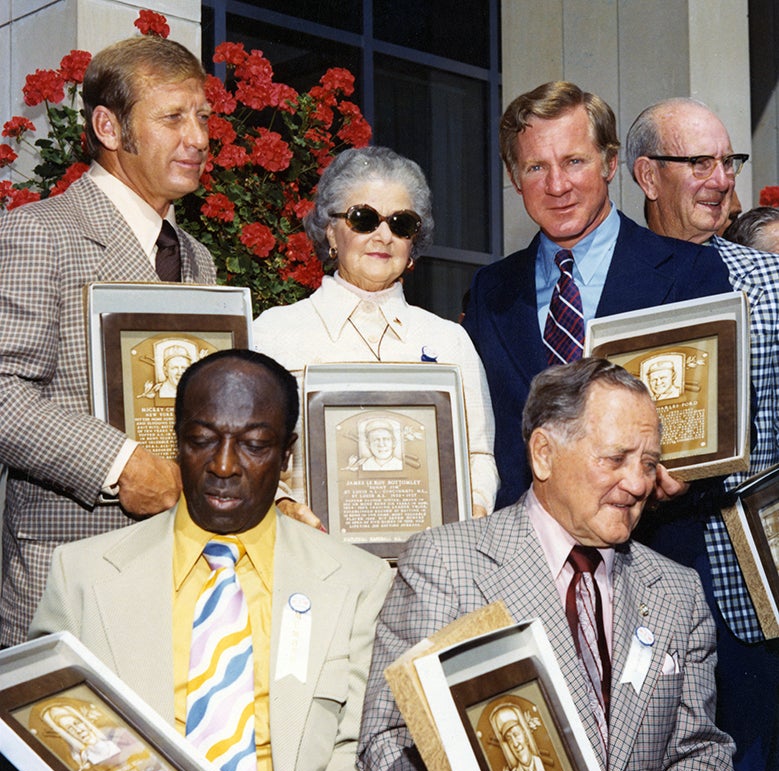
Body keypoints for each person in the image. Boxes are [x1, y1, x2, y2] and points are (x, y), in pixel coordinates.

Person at [28, 349, 498, 771]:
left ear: (287, 454)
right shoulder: (84, 573)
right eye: (201, 441)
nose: (223, 466)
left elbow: (359, 748)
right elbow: (38, 736)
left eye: (253, 444)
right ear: (178, 441)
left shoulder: (356, 580)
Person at [358, 358, 779, 771]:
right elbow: (387, 736)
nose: (638, 483)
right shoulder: (451, 562)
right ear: (544, 453)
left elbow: (698, 752)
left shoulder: (676, 591)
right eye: (617, 459)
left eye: (649, 461)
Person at [0, 34, 217, 647]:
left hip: (182, 581)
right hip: (73, 579)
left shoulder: (198, 260)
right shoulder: (38, 232)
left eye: (202, 117)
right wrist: (120, 465)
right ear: (109, 127)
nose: (198, 138)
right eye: (173, 118)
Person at [462, 81, 732, 510]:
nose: (556, 185)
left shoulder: (692, 274)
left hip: (650, 550)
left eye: (574, 161)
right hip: (523, 561)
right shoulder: (491, 291)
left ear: (609, 163)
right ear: (514, 178)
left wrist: (687, 478)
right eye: (535, 168)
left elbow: (729, 428)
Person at [627, 97, 779, 771]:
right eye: (701, 164)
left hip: (752, 588)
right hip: (637, 582)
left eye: (730, 162)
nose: (721, 181)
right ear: (647, 175)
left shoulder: (768, 281)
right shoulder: (610, 282)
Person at [253, 146, 498, 527]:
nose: (383, 235)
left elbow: (478, 456)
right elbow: (247, 453)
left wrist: (473, 512)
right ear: (331, 231)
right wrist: (284, 509)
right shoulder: (272, 334)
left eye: (401, 224)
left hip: (429, 567)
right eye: (364, 218)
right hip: (308, 559)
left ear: (413, 242)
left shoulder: (451, 341)